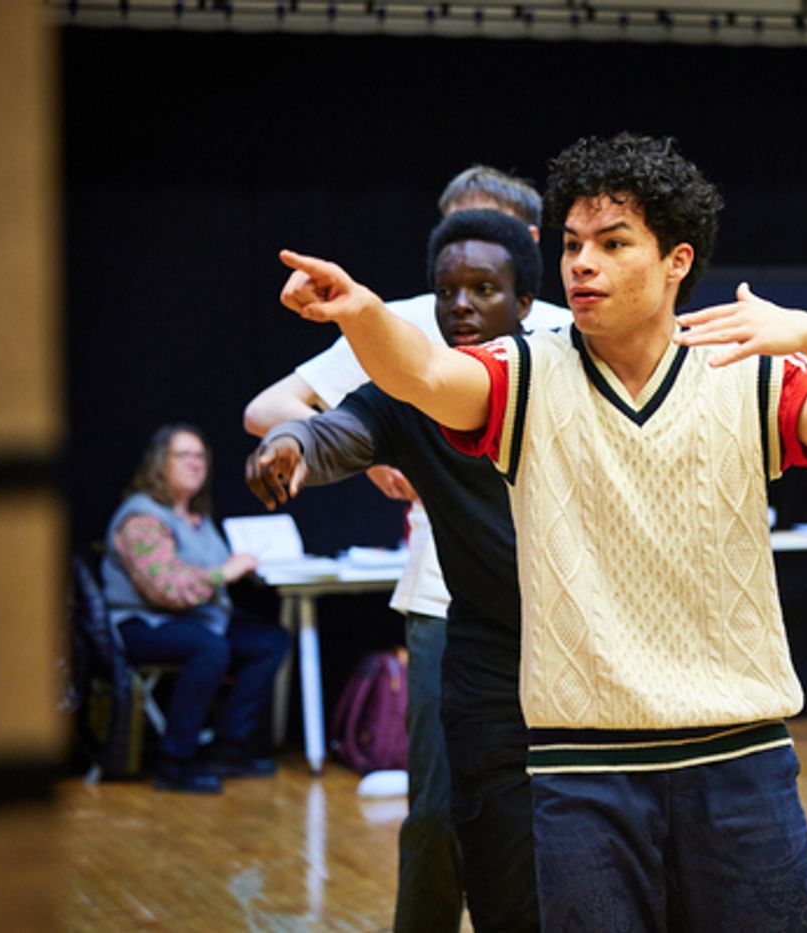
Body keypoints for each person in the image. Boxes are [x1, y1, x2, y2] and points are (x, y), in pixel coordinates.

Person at [274, 132, 807, 930]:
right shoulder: (523, 372)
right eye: (574, 244)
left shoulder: (748, 374)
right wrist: (362, 313)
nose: (582, 263)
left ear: (677, 261)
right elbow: (420, 374)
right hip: (581, 768)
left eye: (614, 244)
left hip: (740, 760)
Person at [242, 166, 568, 933]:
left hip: (564, 611)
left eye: (482, 256)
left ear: (523, 257)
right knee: (441, 809)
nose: (461, 293)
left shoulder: (560, 333)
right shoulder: (406, 330)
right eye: (449, 249)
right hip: (446, 600)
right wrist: (373, 454)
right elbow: (283, 414)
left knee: (560, 809)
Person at [101, 424, 289, 794]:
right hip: (140, 622)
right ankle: (174, 760)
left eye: (200, 456)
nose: (195, 463)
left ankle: (230, 747)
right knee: (209, 648)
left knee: (270, 641)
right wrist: (227, 570)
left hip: (196, 618)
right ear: (159, 463)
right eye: (183, 455)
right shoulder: (141, 517)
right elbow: (166, 588)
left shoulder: (198, 518)